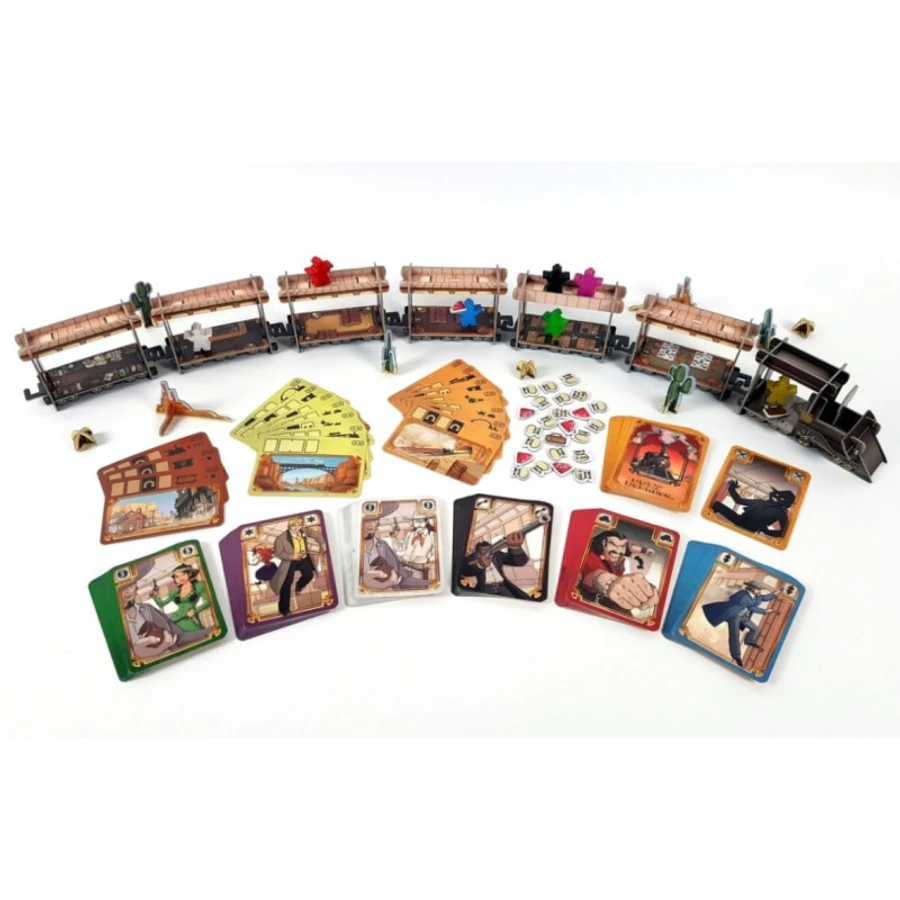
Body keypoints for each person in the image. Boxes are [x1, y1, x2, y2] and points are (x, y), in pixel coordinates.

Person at [579, 530, 658, 619]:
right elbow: (596, 575)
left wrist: (645, 550)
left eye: (622, 546)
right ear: (603, 543)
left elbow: (630, 547)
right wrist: (610, 583)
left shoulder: (620, 553)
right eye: (613, 545)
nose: (619, 550)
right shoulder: (590, 555)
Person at [702, 581, 778, 668]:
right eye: (758, 589)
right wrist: (765, 611)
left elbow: (763, 598)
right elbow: (752, 606)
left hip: (743, 617)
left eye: (759, 590)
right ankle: (736, 656)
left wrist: (774, 594)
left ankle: (749, 641)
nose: (759, 591)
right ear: (752, 589)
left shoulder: (754, 596)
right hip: (734, 616)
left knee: (756, 629)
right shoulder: (743, 594)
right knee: (735, 635)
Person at [269, 518, 326, 616]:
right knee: (286, 583)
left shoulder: (303, 530)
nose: (296, 528)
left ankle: (299, 586)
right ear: (289, 526)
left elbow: (315, 534)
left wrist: (322, 544)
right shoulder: (281, 539)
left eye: (298, 525)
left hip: (303, 558)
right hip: (290, 561)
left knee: (309, 575)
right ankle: (284, 609)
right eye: (293, 526)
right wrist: (292, 556)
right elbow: (278, 553)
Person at [459, 531, 531, 599]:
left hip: (502, 586)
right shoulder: (473, 557)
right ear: (478, 551)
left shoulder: (497, 555)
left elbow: (518, 562)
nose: (486, 552)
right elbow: (464, 571)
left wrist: (515, 548)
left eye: (488, 549)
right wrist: (480, 565)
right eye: (483, 550)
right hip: (486, 589)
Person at [149, 564, 212, 643]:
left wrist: (195, 611)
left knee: (200, 638)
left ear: (189, 573)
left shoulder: (199, 585)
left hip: (189, 618)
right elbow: (161, 604)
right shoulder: (175, 591)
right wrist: (154, 597)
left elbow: (209, 600)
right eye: (177, 577)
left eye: (183, 575)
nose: (180, 578)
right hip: (175, 620)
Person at [711, 480, 796, 538]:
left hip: (748, 528)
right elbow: (739, 500)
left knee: (717, 505)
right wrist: (731, 488)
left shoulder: (780, 513)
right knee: (716, 505)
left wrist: (767, 532)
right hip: (741, 521)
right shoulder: (761, 503)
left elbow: (783, 533)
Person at [362, 524, 431, 591]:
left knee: (431, 584)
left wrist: (394, 574)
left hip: (399, 582)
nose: (371, 525)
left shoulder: (382, 543)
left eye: (374, 523)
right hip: (379, 590)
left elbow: (394, 565)